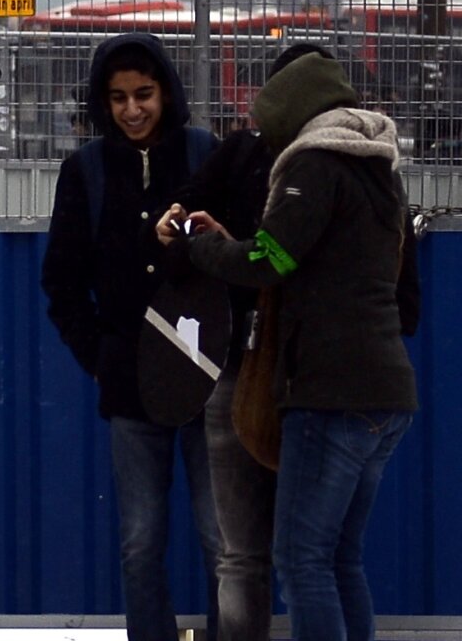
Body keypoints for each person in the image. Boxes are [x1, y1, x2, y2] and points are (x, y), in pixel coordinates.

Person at [158, 50, 418, 641]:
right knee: (340, 558)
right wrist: (236, 241)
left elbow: (268, 260)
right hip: (386, 394)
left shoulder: (314, 164)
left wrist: (200, 247)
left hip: (331, 391)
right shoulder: (377, 168)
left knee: (301, 559)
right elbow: (310, 258)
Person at [41, 32, 221, 641]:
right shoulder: (85, 171)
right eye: (118, 98)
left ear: (165, 92)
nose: (132, 109)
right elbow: (62, 281)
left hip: (208, 381)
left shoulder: (204, 155)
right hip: (129, 385)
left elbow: (241, 256)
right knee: (141, 542)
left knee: (222, 540)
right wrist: (101, 357)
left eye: (143, 94)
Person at [163, 43, 332, 641]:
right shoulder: (245, 155)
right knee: (279, 555)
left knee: (289, 556)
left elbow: (271, 262)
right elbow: (184, 222)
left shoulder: (327, 168)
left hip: (299, 376)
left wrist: (224, 249)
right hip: (255, 368)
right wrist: (181, 221)